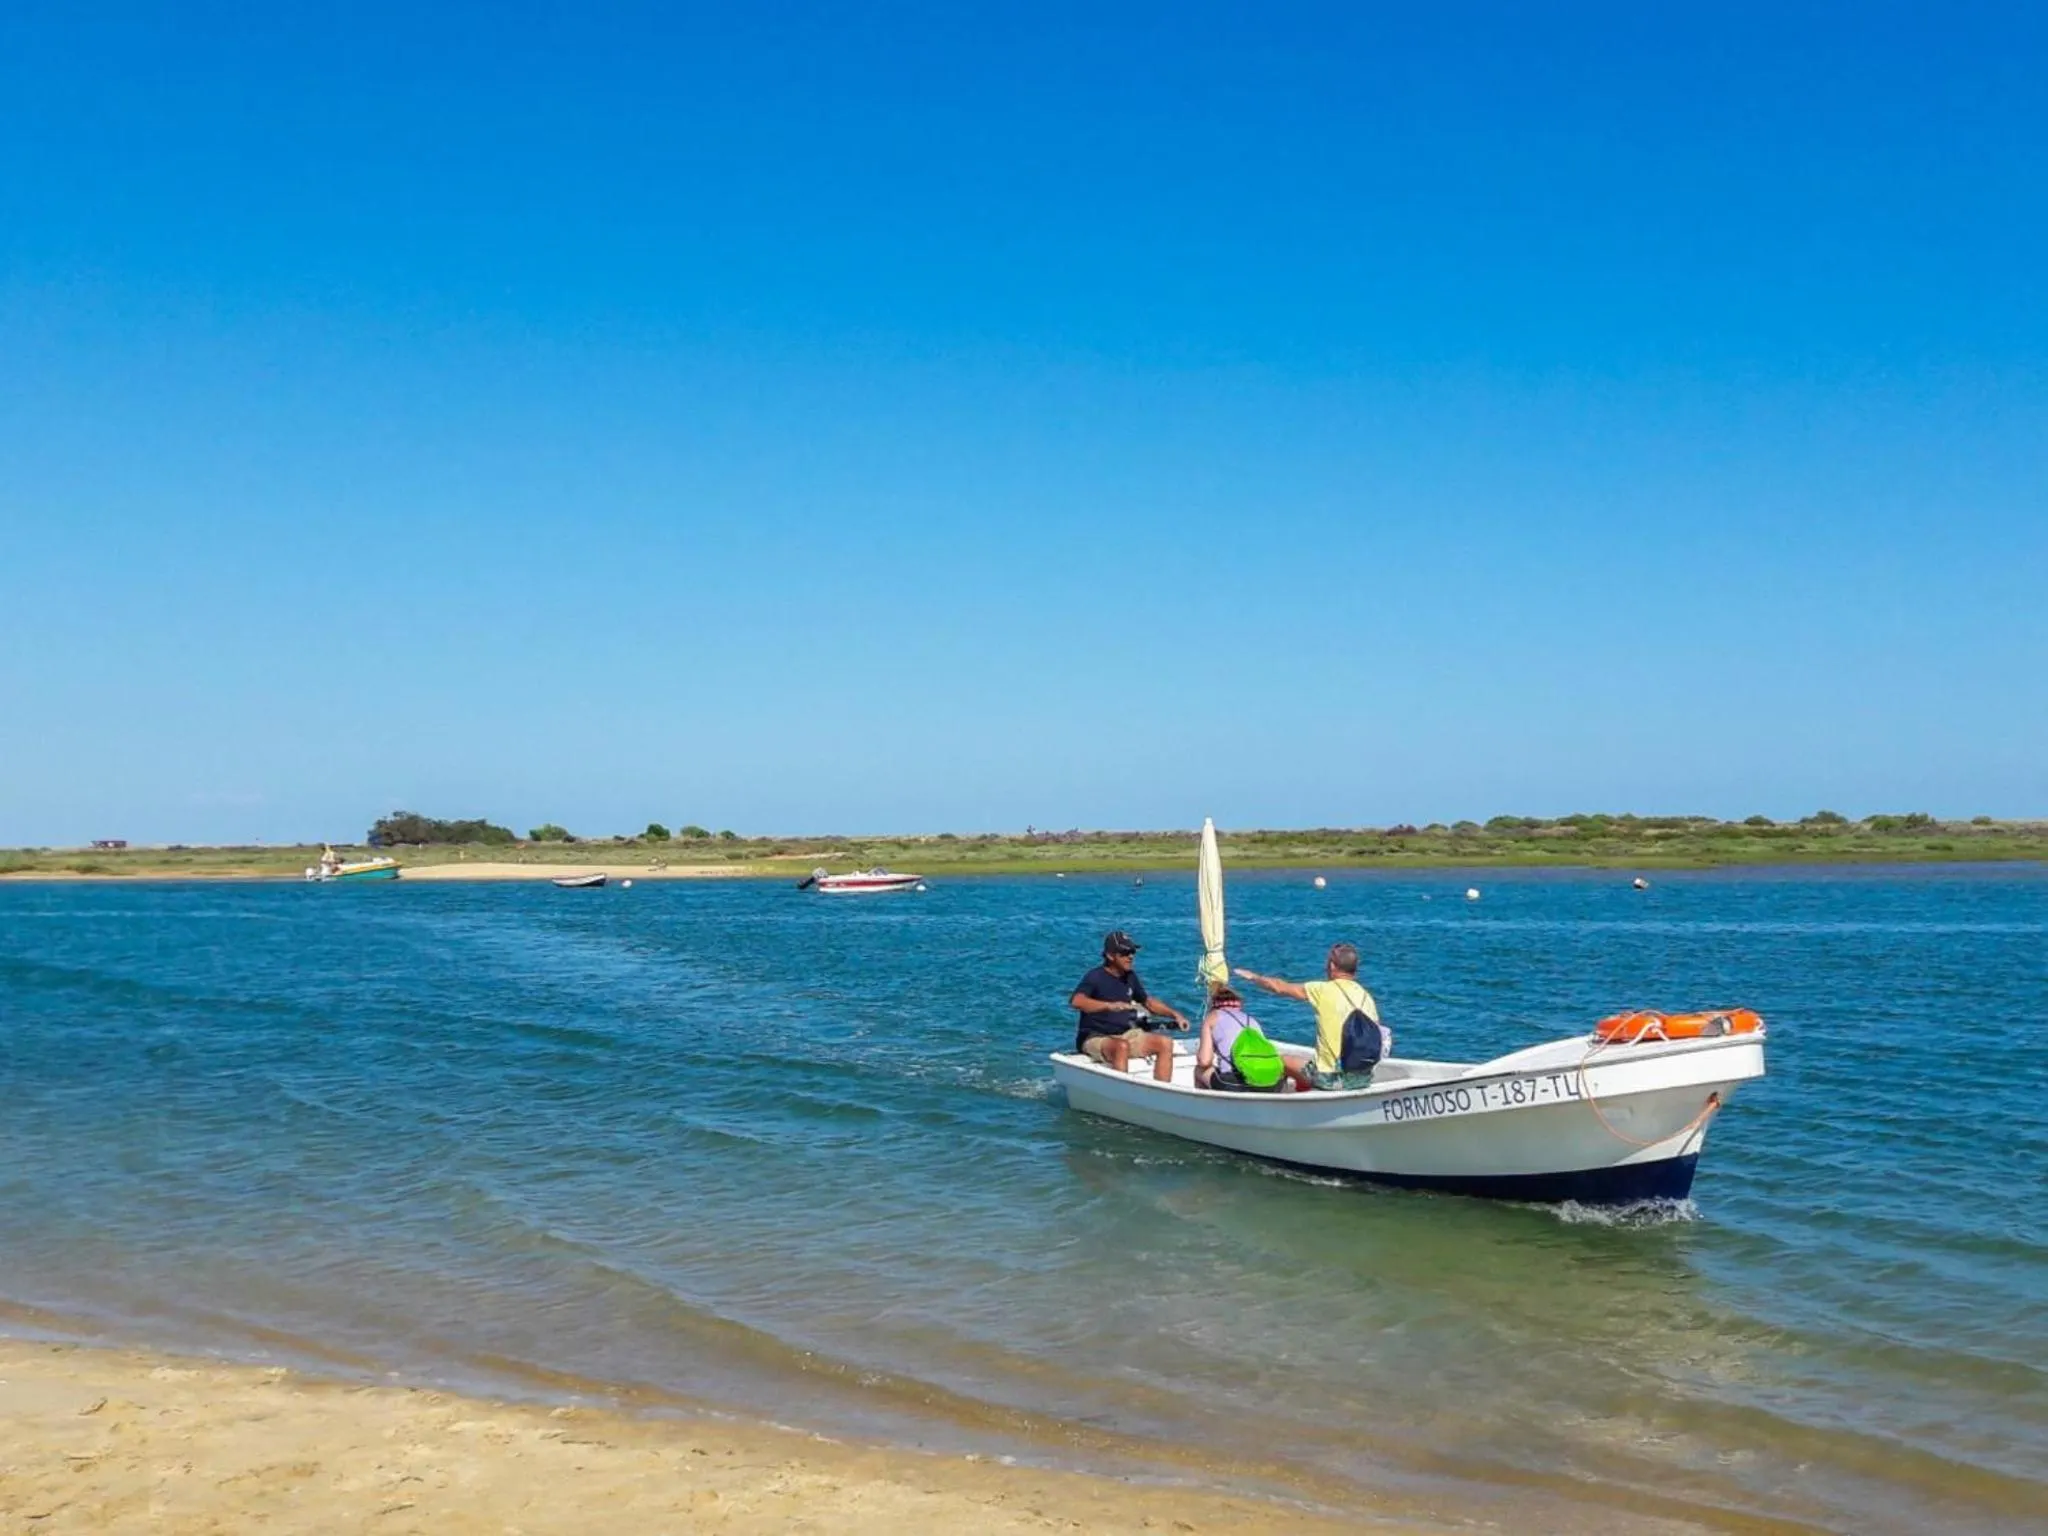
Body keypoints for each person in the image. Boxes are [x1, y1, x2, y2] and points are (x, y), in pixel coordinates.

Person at [1235, 942, 1387, 1090]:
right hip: (1363, 1079)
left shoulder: (1322, 990)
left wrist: (1253, 977)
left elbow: (1280, 987)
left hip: (1329, 1078)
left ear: (1332, 966)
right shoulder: (1367, 998)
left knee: (1282, 1061)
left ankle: (1297, 1101)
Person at [1069, 930, 1188, 1082]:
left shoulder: (1130, 976)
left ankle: (1162, 1093)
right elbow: (1077, 1001)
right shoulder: (1095, 977)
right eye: (1125, 953)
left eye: (1132, 952)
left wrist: (1175, 1015)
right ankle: (1122, 1094)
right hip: (1095, 1036)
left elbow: (1148, 1002)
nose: (1130, 956)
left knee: (1165, 1043)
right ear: (1110, 956)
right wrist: (1108, 1006)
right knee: (1121, 1047)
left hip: (1125, 1034)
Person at [1193, 984, 1306, 1092]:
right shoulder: (1251, 1020)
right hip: (1272, 1083)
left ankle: (1207, 1108)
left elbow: (1204, 1061)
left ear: (1213, 1004)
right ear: (1239, 1005)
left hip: (1235, 1084)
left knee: (1199, 1070)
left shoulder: (1212, 1018)